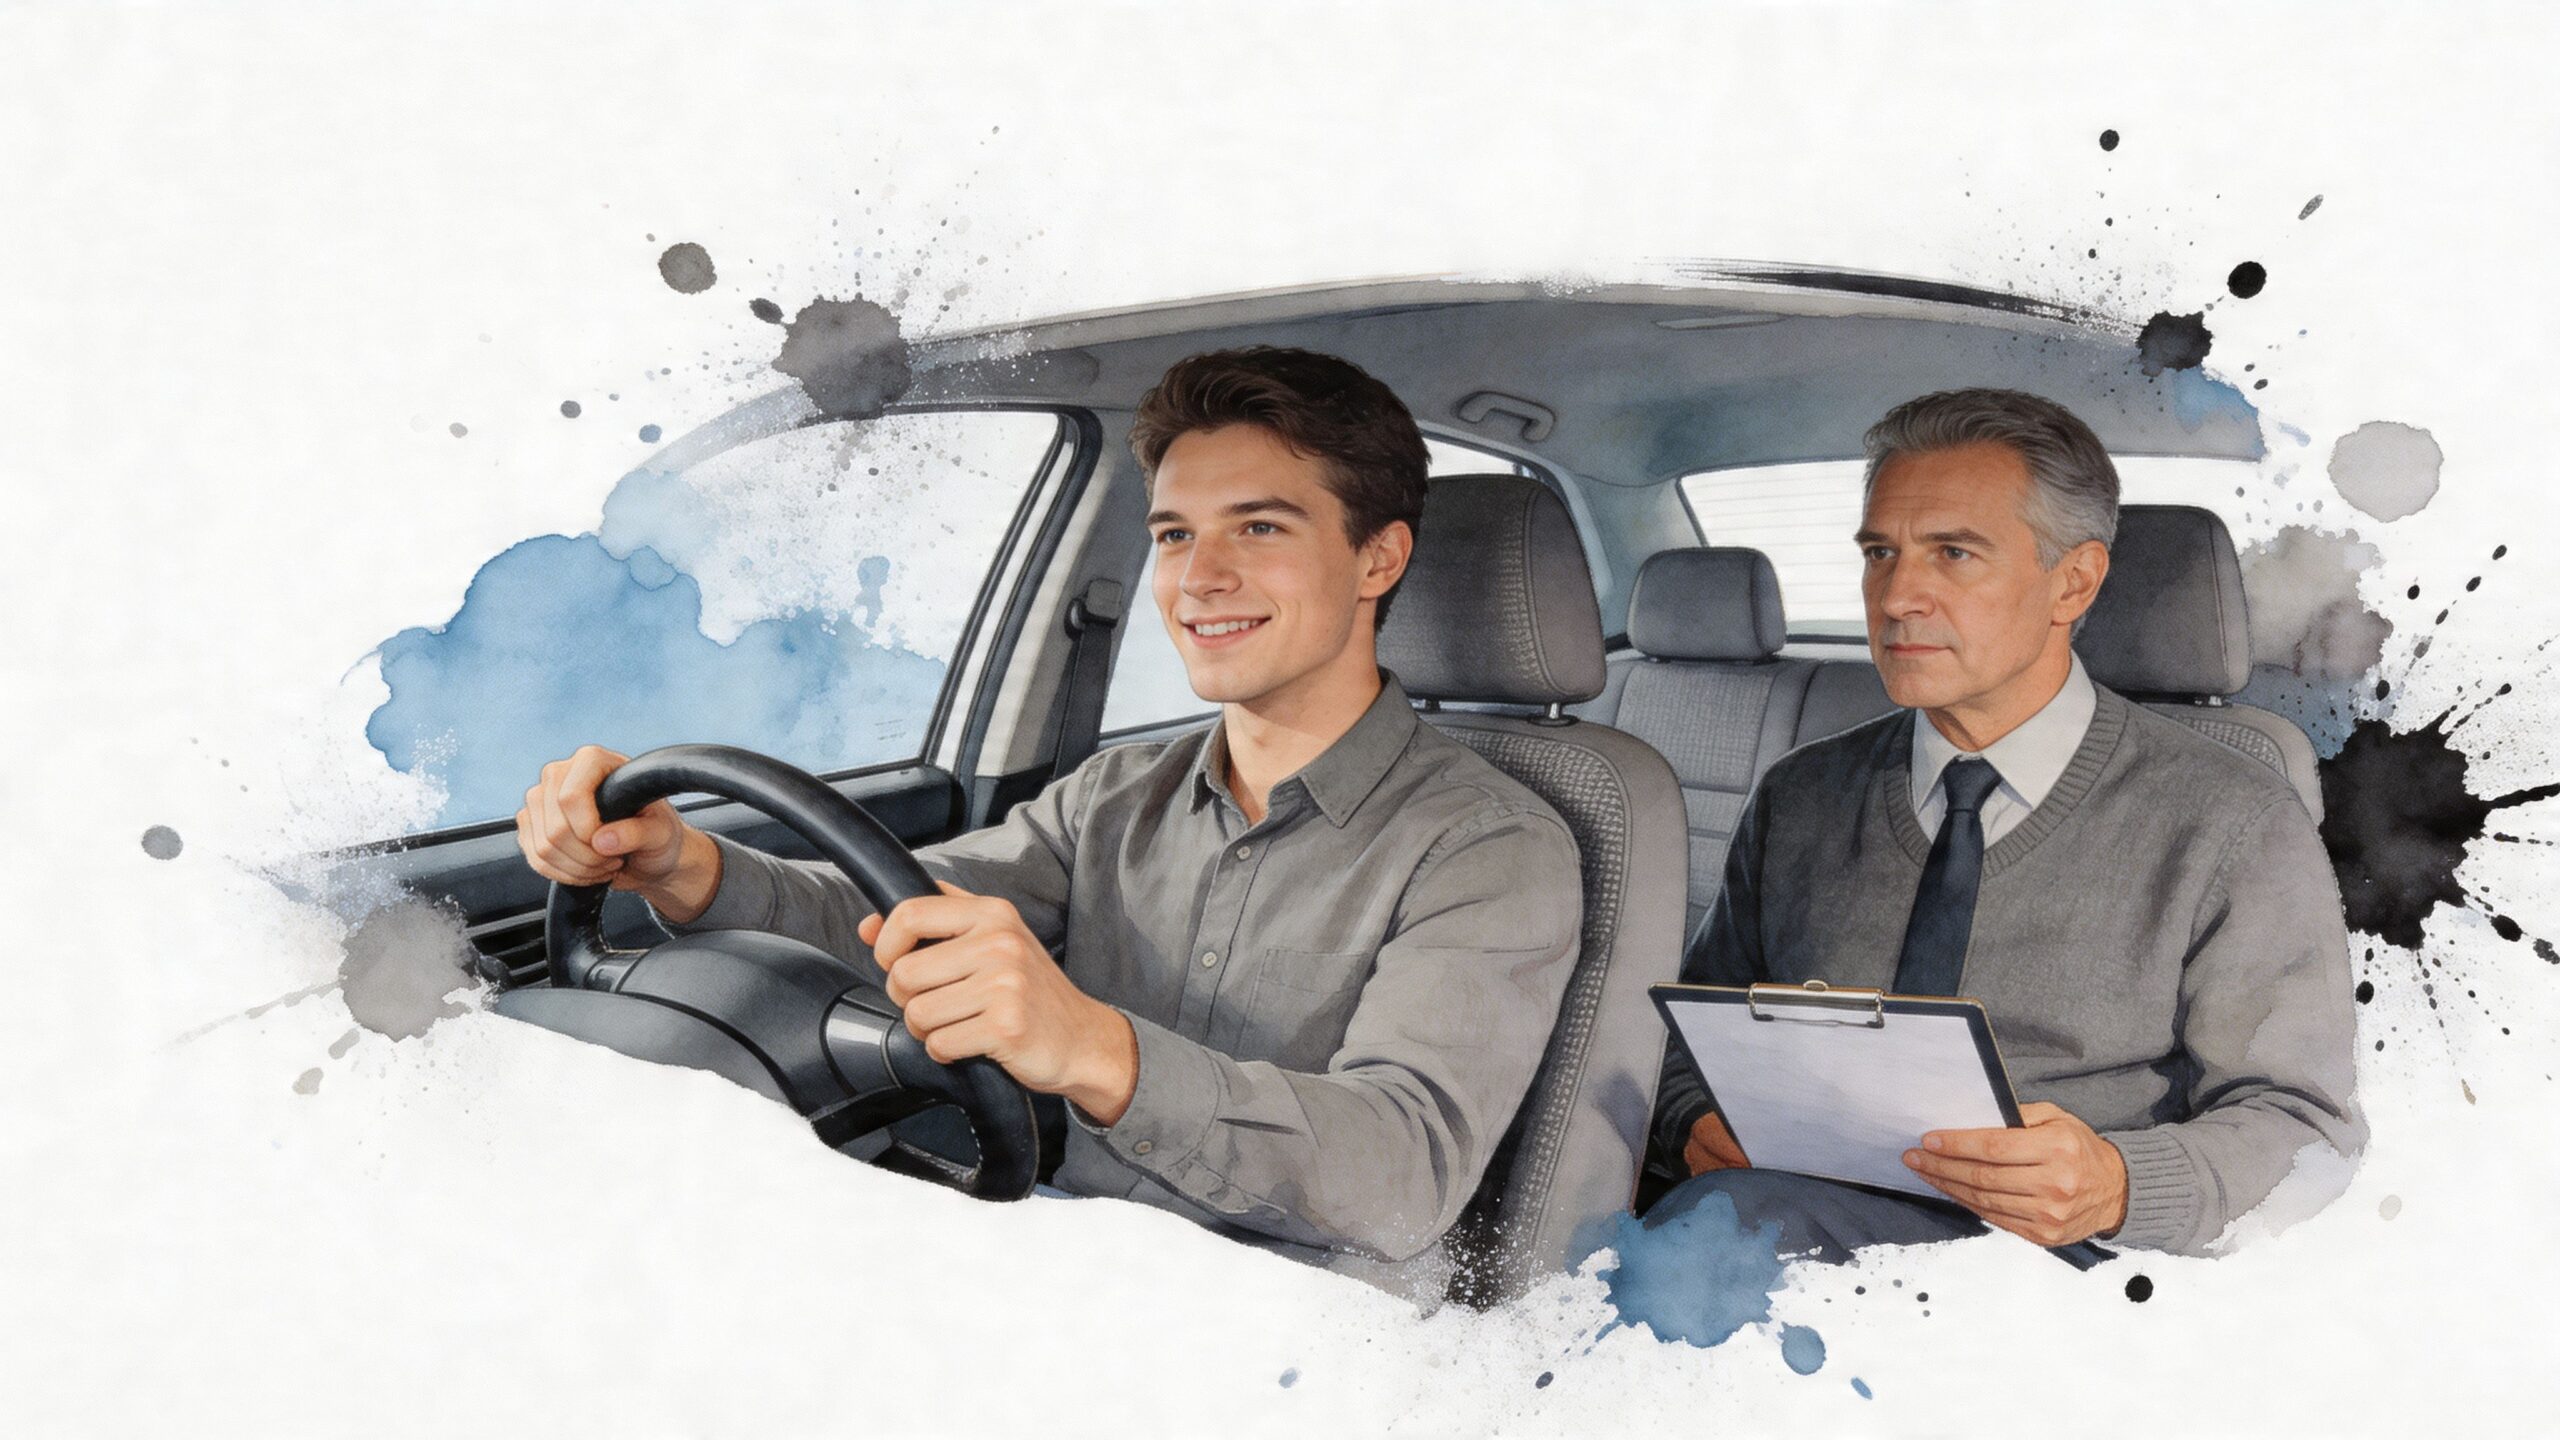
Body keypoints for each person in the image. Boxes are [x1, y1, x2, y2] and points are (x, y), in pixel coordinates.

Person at [515, 346, 1583, 1275]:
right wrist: (680, 864)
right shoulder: (1114, 793)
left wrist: (1094, 1049)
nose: (1198, 577)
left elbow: (1401, 1176)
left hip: (1304, 1309)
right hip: (1047, 1233)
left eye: (1257, 527)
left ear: (1377, 558)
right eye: (1171, 536)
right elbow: (898, 916)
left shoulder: (1491, 846)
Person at [1645, 387, 2364, 1259]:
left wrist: (2118, 1184)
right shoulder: (1802, 795)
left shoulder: (2232, 821)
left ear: (2074, 581)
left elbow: (2307, 1134)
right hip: (1797, 1224)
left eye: (1953, 553)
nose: (1899, 595)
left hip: (2063, 1274)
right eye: (1881, 553)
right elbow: (1693, 1040)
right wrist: (1694, 1120)